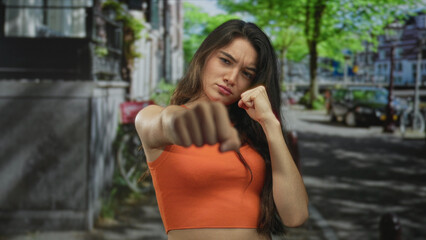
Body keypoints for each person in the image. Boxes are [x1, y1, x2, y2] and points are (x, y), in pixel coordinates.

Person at [135, 19, 308, 240]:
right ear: (204, 56)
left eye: (247, 73)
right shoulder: (155, 117)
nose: (232, 78)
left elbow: (296, 216)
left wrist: (270, 124)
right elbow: (165, 123)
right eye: (225, 61)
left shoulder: (255, 133)